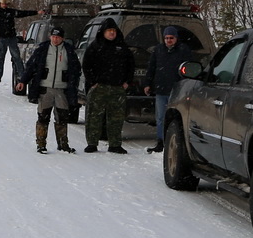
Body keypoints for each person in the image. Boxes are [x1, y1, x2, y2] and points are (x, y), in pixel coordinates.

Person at [17, 26, 82, 153]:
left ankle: (63, 144)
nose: (55, 39)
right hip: (45, 89)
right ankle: (41, 144)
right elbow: (31, 66)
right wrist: (23, 81)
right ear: (50, 36)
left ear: (62, 38)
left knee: (62, 118)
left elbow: (76, 69)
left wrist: (73, 82)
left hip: (62, 90)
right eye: (53, 36)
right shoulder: (43, 49)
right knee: (43, 117)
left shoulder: (69, 50)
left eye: (58, 37)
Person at [80, 18, 133, 153]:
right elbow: (86, 65)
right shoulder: (95, 46)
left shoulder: (122, 47)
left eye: (113, 31)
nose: (111, 33)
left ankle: (115, 144)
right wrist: (93, 82)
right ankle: (92, 143)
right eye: (109, 31)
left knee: (116, 118)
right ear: (103, 32)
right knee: (94, 117)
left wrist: (127, 82)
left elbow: (130, 66)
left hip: (117, 88)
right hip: (99, 88)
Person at [144, 24, 198, 153]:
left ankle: (176, 142)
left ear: (176, 38)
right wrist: (147, 84)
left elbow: (190, 69)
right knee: (161, 118)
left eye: (171, 38)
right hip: (161, 89)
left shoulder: (183, 50)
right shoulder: (158, 50)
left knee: (177, 118)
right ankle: (160, 141)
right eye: (166, 38)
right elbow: (151, 68)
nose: (169, 40)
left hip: (178, 91)